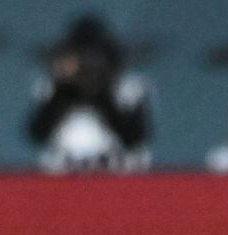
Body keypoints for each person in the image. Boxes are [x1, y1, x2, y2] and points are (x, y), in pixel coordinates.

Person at [26, 15, 152, 173]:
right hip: (61, 183)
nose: (88, 67)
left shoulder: (130, 89)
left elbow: (134, 137)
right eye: (81, 58)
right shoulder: (51, 89)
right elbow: (37, 132)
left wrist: (101, 94)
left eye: (96, 59)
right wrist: (65, 90)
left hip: (119, 181)